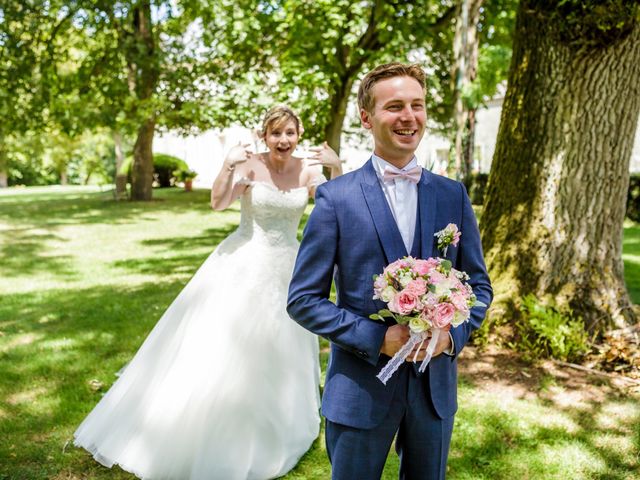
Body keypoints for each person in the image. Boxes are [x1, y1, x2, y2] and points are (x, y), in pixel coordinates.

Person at [74, 105, 342, 480]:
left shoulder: (308, 170)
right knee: (230, 344)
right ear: (264, 135)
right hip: (245, 261)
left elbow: (334, 208)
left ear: (299, 135)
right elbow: (218, 203)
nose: (283, 140)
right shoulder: (250, 165)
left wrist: (335, 168)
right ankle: (215, 420)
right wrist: (228, 164)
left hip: (288, 266)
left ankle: (278, 417)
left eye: (290, 133)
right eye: (276, 133)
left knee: (284, 339)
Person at [287, 63, 493, 479]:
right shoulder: (336, 198)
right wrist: (378, 337)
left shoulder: (452, 194)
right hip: (361, 391)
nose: (408, 116)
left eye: (417, 105)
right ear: (367, 117)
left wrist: (450, 337)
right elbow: (303, 300)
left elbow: (478, 285)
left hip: (434, 392)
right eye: (394, 106)